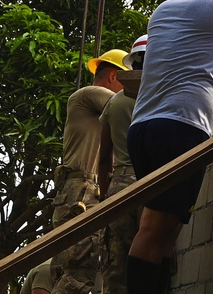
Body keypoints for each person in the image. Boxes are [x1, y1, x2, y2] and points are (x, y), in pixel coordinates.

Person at [125, 0, 213, 294]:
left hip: (144, 126)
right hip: (182, 125)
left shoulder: (164, 9)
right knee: (153, 230)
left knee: (165, 231)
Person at [50, 49, 127, 294]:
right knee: (80, 274)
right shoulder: (88, 94)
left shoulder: (108, 117)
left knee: (92, 273)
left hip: (91, 189)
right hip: (82, 191)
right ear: (113, 76)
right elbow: (129, 106)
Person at [97, 35, 145, 294]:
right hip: (154, 181)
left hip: (121, 185)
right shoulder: (160, 97)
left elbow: (105, 157)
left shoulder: (114, 103)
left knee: (116, 265)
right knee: (153, 256)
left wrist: (105, 195)